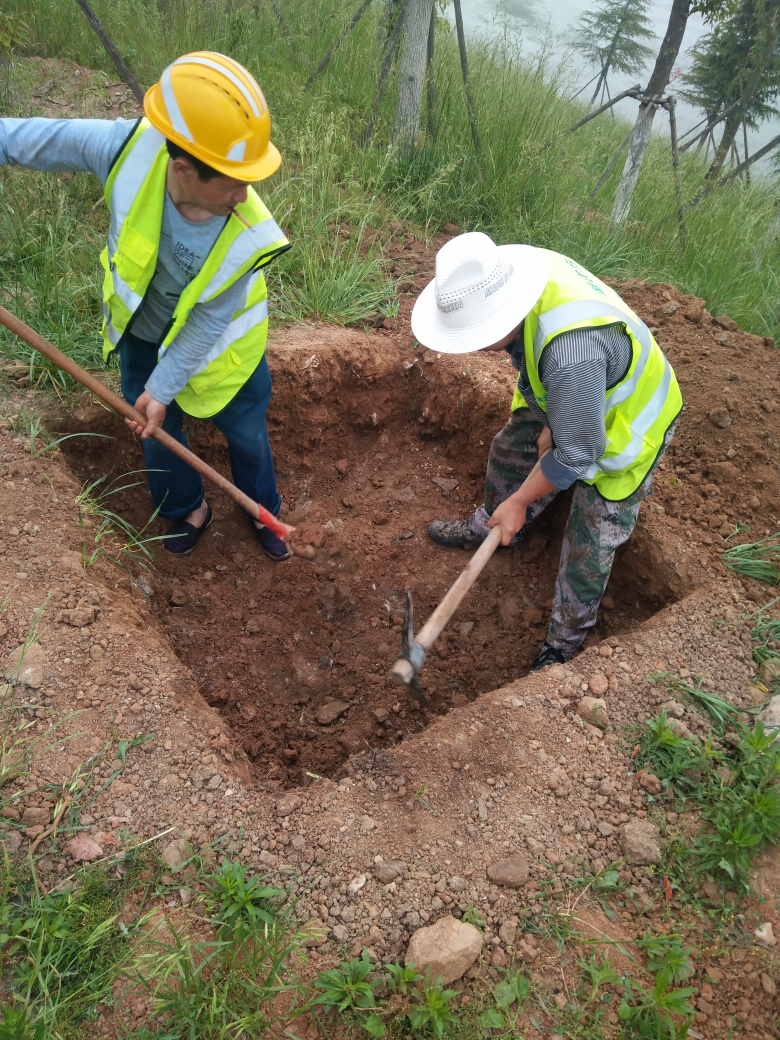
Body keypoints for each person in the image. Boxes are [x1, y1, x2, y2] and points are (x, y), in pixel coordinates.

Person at [0, 51, 294, 559]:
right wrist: (155, 391)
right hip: (143, 331)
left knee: (246, 435)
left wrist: (167, 384)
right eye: (233, 181)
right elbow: (33, 139)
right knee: (154, 427)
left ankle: (263, 509)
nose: (246, 196)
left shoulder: (249, 234)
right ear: (182, 167)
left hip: (226, 352)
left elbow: (207, 321)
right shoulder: (126, 150)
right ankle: (186, 508)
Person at [412, 232, 682, 671]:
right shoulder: (525, 280)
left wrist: (522, 498)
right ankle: (498, 527)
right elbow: (535, 368)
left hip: (630, 422)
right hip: (576, 392)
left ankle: (564, 642)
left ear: (502, 315)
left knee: (590, 534)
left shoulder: (569, 354)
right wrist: (550, 424)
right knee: (510, 448)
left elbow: (580, 453)